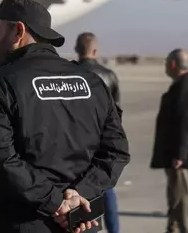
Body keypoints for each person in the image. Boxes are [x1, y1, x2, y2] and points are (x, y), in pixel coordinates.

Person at [0, 0, 130, 233]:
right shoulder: (92, 82)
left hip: (23, 224)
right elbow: (116, 151)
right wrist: (79, 196)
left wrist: (56, 203)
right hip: (79, 221)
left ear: (18, 31)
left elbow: (2, 159)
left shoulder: (1, 83)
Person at [150, 48, 188, 233]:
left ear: (173, 64)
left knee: (182, 202)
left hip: (180, 157)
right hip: (176, 155)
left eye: (166, 63)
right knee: (174, 200)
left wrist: (180, 154)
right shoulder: (180, 85)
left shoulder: (185, 89)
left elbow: (186, 124)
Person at [74, 32, 122, 233]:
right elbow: (116, 114)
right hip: (101, 141)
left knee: (77, 191)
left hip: (74, 143)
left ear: (77, 50)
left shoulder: (66, 74)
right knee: (107, 188)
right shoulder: (109, 76)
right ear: (95, 50)